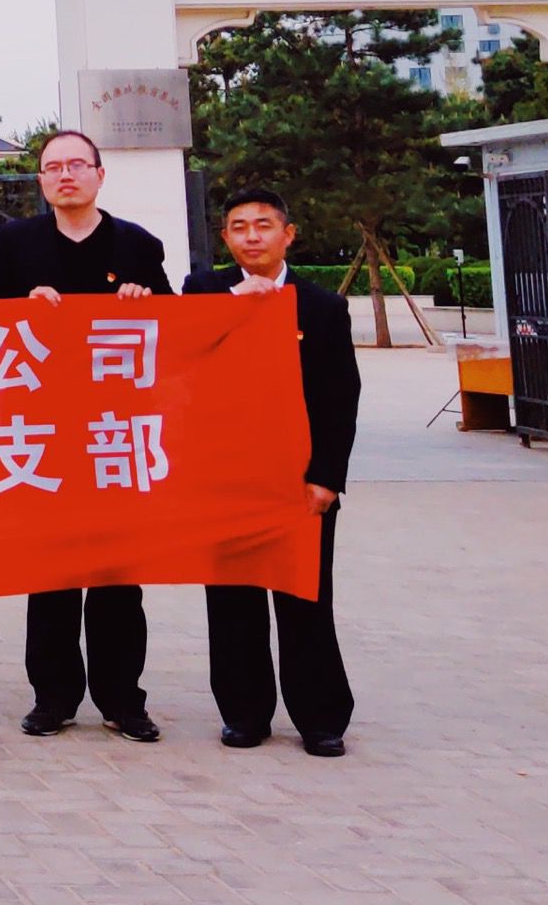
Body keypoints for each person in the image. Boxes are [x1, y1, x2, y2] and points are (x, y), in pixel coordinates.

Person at [0, 128, 173, 743]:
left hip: (114, 432)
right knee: (52, 575)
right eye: (53, 167)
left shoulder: (137, 244)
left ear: (99, 174)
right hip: (43, 430)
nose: (66, 175)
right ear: (41, 180)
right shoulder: (16, 242)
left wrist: (146, 301)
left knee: (118, 577)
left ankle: (123, 700)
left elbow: (175, 332)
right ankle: (53, 698)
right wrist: (20, 304)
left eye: (77, 165)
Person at [185, 188, 360, 758]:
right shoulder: (202, 292)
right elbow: (185, 358)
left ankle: (321, 718)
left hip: (298, 480)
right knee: (231, 600)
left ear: (288, 235)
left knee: (304, 596)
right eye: (239, 227)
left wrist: (327, 477)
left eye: (263, 225)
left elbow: (340, 398)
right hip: (226, 476)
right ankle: (244, 714)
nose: (252, 236)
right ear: (225, 238)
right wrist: (235, 302)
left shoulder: (322, 307)